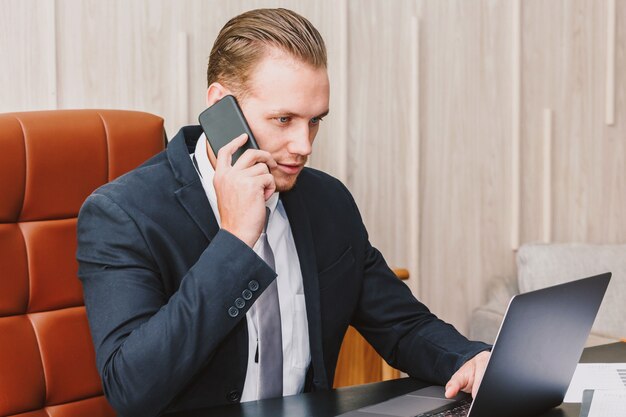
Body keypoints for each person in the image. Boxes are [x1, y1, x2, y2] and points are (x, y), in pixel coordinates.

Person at [77, 8, 490, 417]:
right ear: (222, 106)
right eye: (283, 119)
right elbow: (132, 389)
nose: (303, 145)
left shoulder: (327, 201)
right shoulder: (123, 214)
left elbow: (403, 325)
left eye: (314, 122)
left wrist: (470, 359)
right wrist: (235, 240)